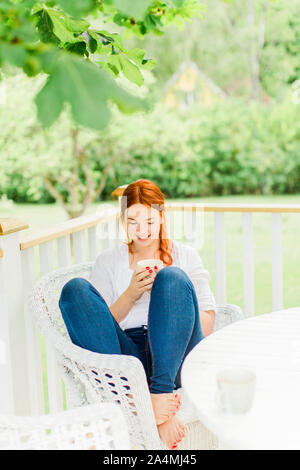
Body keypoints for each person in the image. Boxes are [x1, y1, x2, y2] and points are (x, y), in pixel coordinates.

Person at [59, 179, 217, 450]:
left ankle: (159, 394)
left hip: (176, 355)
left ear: (162, 218)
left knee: (172, 278)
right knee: (74, 291)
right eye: (133, 221)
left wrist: (171, 305)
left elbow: (208, 320)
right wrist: (131, 294)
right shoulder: (108, 261)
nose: (142, 231)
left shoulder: (186, 255)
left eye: (150, 221)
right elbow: (100, 326)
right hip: (128, 359)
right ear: (122, 221)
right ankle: (145, 402)